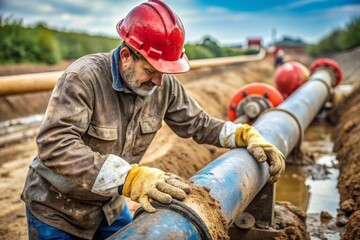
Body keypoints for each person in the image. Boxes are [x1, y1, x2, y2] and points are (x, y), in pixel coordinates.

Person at [21, 0, 285, 239]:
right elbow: (54, 145)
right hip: (58, 210)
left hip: (108, 207)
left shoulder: (162, 85)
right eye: (150, 70)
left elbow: (199, 123)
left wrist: (242, 134)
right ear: (126, 56)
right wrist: (130, 178)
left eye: (164, 72)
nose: (159, 81)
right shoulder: (84, 79)